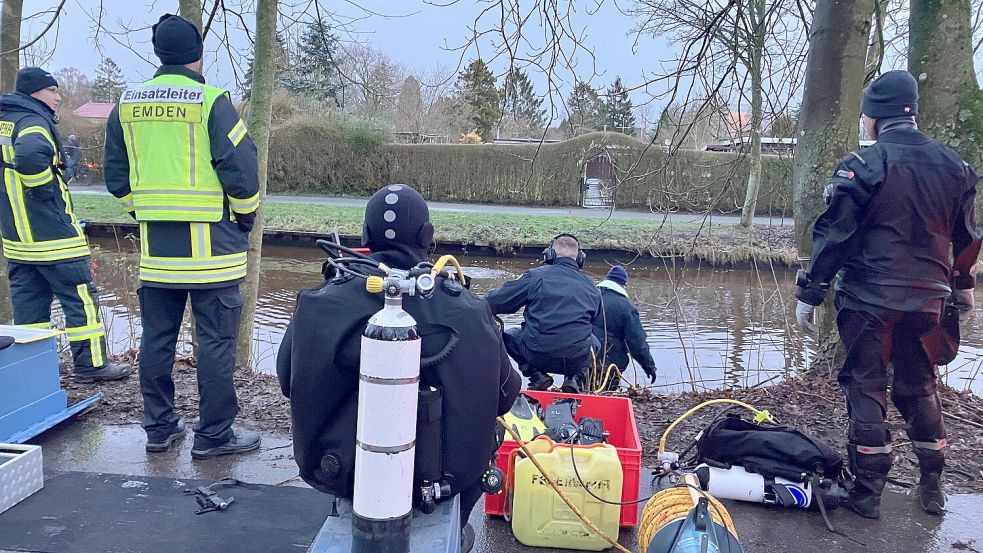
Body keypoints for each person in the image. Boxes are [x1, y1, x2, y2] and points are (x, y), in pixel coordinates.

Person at [277, 185, 521, 552]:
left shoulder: (320, 302)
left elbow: (287, 379)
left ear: (365, 236)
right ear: (428, 238)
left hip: (339, 471)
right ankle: (459, 527)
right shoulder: (470, 310)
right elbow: (506, 395)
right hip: (450, 480)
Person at [794, 70, 981, 519]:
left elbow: (834, 235)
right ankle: (932, 484)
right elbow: (967, 236)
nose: (863, 124)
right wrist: (963, 286)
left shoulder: (864, 165)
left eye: (865, 116)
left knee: (866, 386)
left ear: (875, 117)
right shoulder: (954, 167)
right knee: (918, 387)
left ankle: (867, 493)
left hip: (869, 300)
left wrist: (812, 291)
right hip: (928, 301)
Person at [103, 14, 262, 459]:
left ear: (159, 53)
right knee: (214, 343)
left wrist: (146, 212)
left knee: (157, 340)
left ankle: (159, 429)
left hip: (158, 253)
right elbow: (243, 173)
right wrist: (243, 220)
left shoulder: (127, 106)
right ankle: (214, 436)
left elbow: (116, 178)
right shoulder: (212, 101)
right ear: (198, 55)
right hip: (215, 252)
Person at [0, 67, 131, 383]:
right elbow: (31, 157)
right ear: (35, 92)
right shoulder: (33, 122)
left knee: (29, 312)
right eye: (53, 90)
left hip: (18, 240)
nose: (58, 97)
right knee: (81, 300)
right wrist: (44, 188)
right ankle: (92, 366)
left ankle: (31, 370)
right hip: (53, 236)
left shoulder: (6, 121)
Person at [486, 233, 601, 393]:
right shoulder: (592, 286)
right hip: (576, 359)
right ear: (580, 258)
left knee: (509, 335)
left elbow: (497, 302)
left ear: (549, 255)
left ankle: (536, 375)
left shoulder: (536, 276)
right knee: (595, 342)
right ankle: (574, 379)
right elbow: (595, 320)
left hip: (536, 355)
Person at [592, 265, 657, 389]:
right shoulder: (626, 307)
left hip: (582, 358)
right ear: (623, 286)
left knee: (580, 396)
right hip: (610, 363)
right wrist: (649, 366)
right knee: (605, 397)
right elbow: (637, 343)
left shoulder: (588, 297)